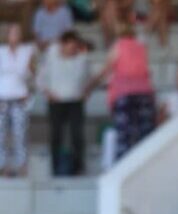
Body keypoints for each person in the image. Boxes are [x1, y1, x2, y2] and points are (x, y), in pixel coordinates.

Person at [88, 25, 155, 161]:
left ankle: (124, 167)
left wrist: (90, 86)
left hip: (125, 94)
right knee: (145, 136)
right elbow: (147, 72)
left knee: (124, 136)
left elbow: (106, 70)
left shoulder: (118, 46)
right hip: (145, 94)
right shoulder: (141, 48)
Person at [40, 29, 90, 176]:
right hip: (56, 101)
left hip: (75, 101)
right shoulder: (51, 57)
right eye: (70, 46)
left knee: (77, 134)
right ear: (63, 45)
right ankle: (55, 167)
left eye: (75, 46)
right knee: (56, 135)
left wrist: (85, 92)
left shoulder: (82, 60)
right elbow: (41, 79)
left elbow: (88, 79)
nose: (72, 49)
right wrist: (48, 93)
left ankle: (78, 166)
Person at [0, 22, 35, 177]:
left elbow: (33, 75)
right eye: (12, 32)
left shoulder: (28, 51)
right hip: (2, 97)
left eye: (18, 32)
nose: (15, 35)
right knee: (0, 134)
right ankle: (2, 166)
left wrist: (30, 92)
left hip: (20, 96)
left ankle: (22, 166)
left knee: (20, 134)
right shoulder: (0, 52)